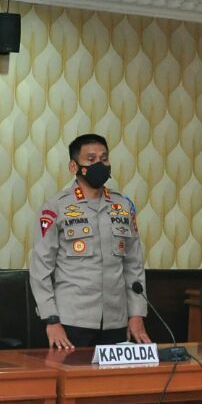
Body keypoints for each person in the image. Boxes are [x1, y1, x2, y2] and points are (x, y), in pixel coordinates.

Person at [29, 133, 150, 349]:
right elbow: (41, 270)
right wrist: (51, 320)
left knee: (115, 383)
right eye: (91, 159)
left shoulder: (122, 206)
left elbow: (134, 266)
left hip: (116, 320)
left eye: (104, 159)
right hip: (70, 322)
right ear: (74, 167)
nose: (99, 165)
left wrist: (137, 313)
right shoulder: (56, 208)